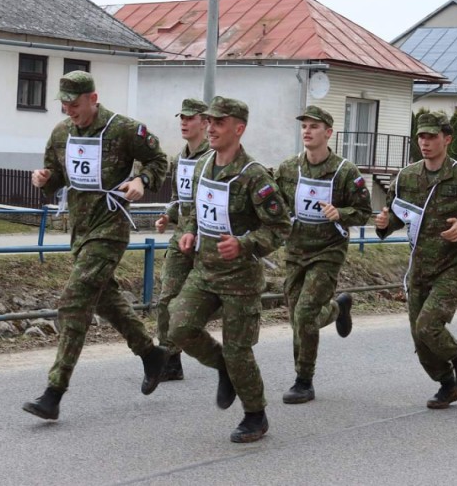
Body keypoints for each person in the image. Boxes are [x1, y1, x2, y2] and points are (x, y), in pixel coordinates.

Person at [24, 71, 170, 420]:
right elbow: (55, 174)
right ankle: (152, 355)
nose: (69, 111)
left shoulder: (123, 128)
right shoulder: (62, 133)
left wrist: (141, 180)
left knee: (74, 301)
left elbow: (158, 160)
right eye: (64, 105)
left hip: (110, 227)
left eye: (75, 104)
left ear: (93, 98)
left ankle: (54, 392)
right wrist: (43, 179)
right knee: (104, 298)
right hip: (80, 229)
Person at [169, 96, 291, 443]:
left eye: (218, 123)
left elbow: (280, 227)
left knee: (239, 350)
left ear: (239, 128)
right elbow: (193, 208)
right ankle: (221, 366)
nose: (210, 128)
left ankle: (255, 414)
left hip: (240, 279)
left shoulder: (254, 177)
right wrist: (189, 230)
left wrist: (245, 244)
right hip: (204, 271)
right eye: (208, 122)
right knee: (178, 327)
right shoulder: (203, 165)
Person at [375, 111, 457, 409]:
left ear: (447, 139)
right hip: (419, 267)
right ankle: (447, 385)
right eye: (421, 136)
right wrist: (384, 224)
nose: (425, 142)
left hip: (451, 266)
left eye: (432, 136)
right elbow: (397, 213)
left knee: (428, 327)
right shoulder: (406, 177)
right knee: (420, 341)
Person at [275, 106, 372, 404]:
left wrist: (339, 212)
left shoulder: (345, 172)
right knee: (297, 317)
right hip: (295, 251)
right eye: (304, 125)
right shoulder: (289, 168)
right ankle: (337, 309)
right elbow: (272, 205)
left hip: (327, 252)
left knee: (304, 314)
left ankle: (304, 380)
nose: (307, 130)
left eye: (314, 126)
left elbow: (364, 213)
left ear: (328, 133)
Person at [153, 98, 210, 381]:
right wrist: (167, 216)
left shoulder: (214, 157)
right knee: (166, 298)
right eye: (182, 118)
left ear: (204, 121)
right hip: (181, 237)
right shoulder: (179, 158)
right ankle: (169, 359)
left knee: (210, 302)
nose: (184, 123)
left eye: (190, 118)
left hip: (208, 238)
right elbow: (178, 199)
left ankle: (227, 354)